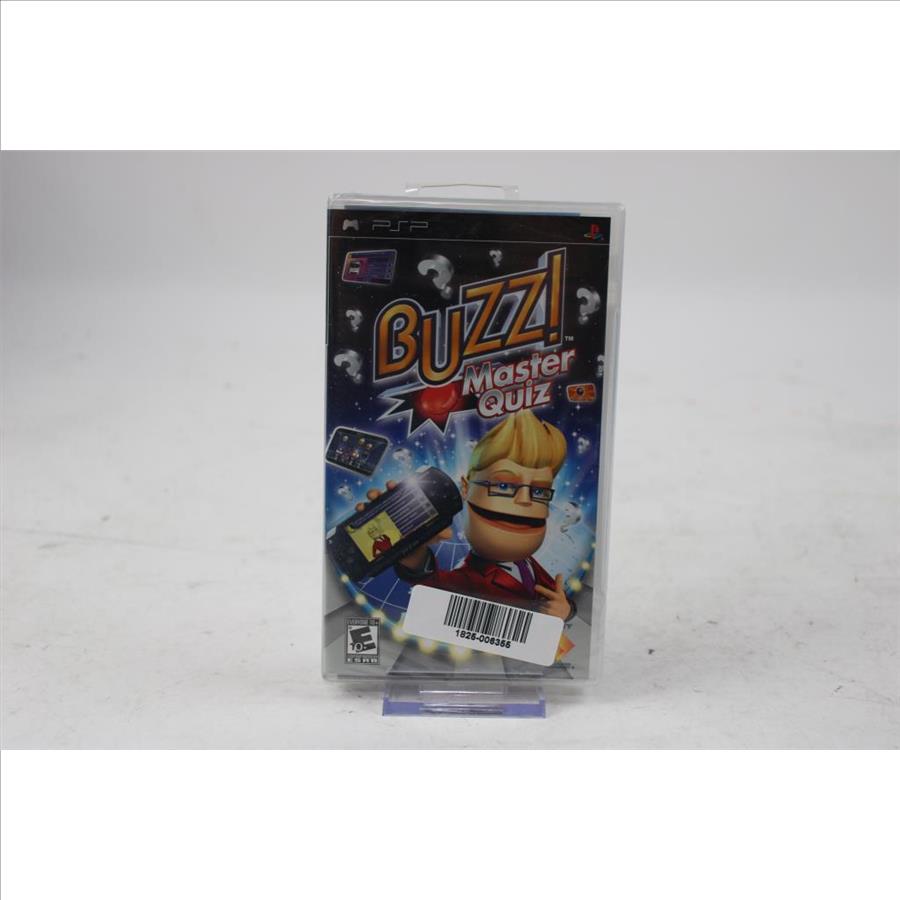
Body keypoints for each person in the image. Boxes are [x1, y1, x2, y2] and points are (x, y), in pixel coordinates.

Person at [357, 409, 575, 621]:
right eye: (504, 485)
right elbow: (433, 587)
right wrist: (412, 554)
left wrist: (566, 610)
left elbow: (553, 596)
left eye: (539, 491)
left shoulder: (525, 562)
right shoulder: (469, 579)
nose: (525, 500)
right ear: (466, 488)